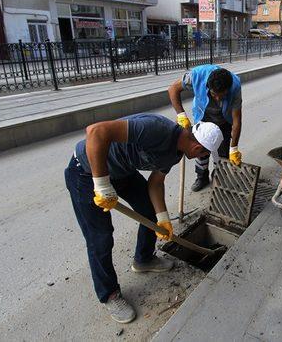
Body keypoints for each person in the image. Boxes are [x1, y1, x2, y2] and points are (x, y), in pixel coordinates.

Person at [64, 113, 223, 323]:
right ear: (197, 148)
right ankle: (109, 294)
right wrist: (101, 184)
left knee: (148, 212)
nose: (202, 157)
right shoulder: (156, 129)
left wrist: (162, 217)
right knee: (100, 239)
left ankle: (144, 259)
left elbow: (155, 184)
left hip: (122, 173)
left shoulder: (175, 154)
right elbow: (96, 131)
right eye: (204, 154)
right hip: (87, 172)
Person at [168, 65, 243, 191]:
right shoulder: (197, 76)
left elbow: (237, 120)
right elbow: (172, 89)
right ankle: (201, 177)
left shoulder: (235, 87)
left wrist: (234, 148)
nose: (218, 98)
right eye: (214, 94)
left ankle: (218, 177)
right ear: (208, 86)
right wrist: (181, 115)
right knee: (200, 150)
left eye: (222, 95)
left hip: (223, 120)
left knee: (223, 153)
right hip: (203, 116)